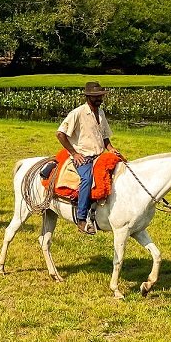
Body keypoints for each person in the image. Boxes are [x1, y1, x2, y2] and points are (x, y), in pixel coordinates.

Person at [56, 81, 118, 234]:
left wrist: (111, 149)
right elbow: (60, 134)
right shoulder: (77, 113)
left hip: (99, 155)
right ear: (88, 97)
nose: (99, 99)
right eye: (96, 97)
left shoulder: (101, 113)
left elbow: (104, 136)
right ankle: (82, 219)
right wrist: (74, 153)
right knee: (87, 179)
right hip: (83, 157)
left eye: (100, 96)